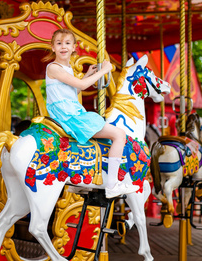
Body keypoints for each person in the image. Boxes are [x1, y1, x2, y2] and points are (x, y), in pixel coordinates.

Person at [43, 28, 137, 198]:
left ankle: (85, 178)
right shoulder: (54, 67)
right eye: (59, 43)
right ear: (53, 47)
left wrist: (87, 74)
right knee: (119, 134)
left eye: (67, 43)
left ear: (73, 48)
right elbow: (81, 86)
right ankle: (112, 185)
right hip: (69, 116)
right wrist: (104, 70)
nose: (63, 47)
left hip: (71, 112)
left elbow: (73, 91)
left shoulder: (66, 68)